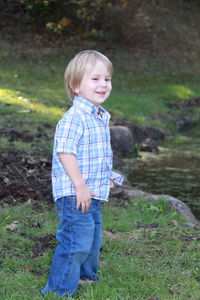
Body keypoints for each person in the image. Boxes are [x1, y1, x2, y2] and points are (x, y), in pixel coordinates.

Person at [41, 50, 123, 298]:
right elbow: (65, 152)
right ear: (76, 86)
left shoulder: (99, 116)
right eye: (95, 79)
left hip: (92, 193)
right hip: (75, 194)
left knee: (93, 240)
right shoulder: (75, 117)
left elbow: (95, 153)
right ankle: (58, 290)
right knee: (75, 242)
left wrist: (106, 176)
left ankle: (86, 277)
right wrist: (79, 185)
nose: (103, 84)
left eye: (107, 79)